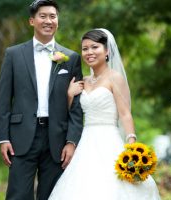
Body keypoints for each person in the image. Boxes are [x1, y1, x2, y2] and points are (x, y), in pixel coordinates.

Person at [48, 29, 161, 199]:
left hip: (109, 138)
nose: (89, 52)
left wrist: (131, 144)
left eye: (95, 47)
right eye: (85, 49)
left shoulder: (115, 78)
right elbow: (71, 113)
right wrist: (70, 95)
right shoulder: (83, 81)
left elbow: (125, 114)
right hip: (85, 141)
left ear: (107, 50)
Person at [0, 0, 83, 199]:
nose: (48, 21)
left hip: (58, 139)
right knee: (18, 195)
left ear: (58, 22)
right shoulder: (13, 54)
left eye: (52, 16)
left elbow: (76, 105)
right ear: (31, 21)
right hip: (20, 136)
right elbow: (3, 99)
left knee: (53, 195)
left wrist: (72, 141)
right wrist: (4, 138)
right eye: (42, 16)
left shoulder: (71, 58)